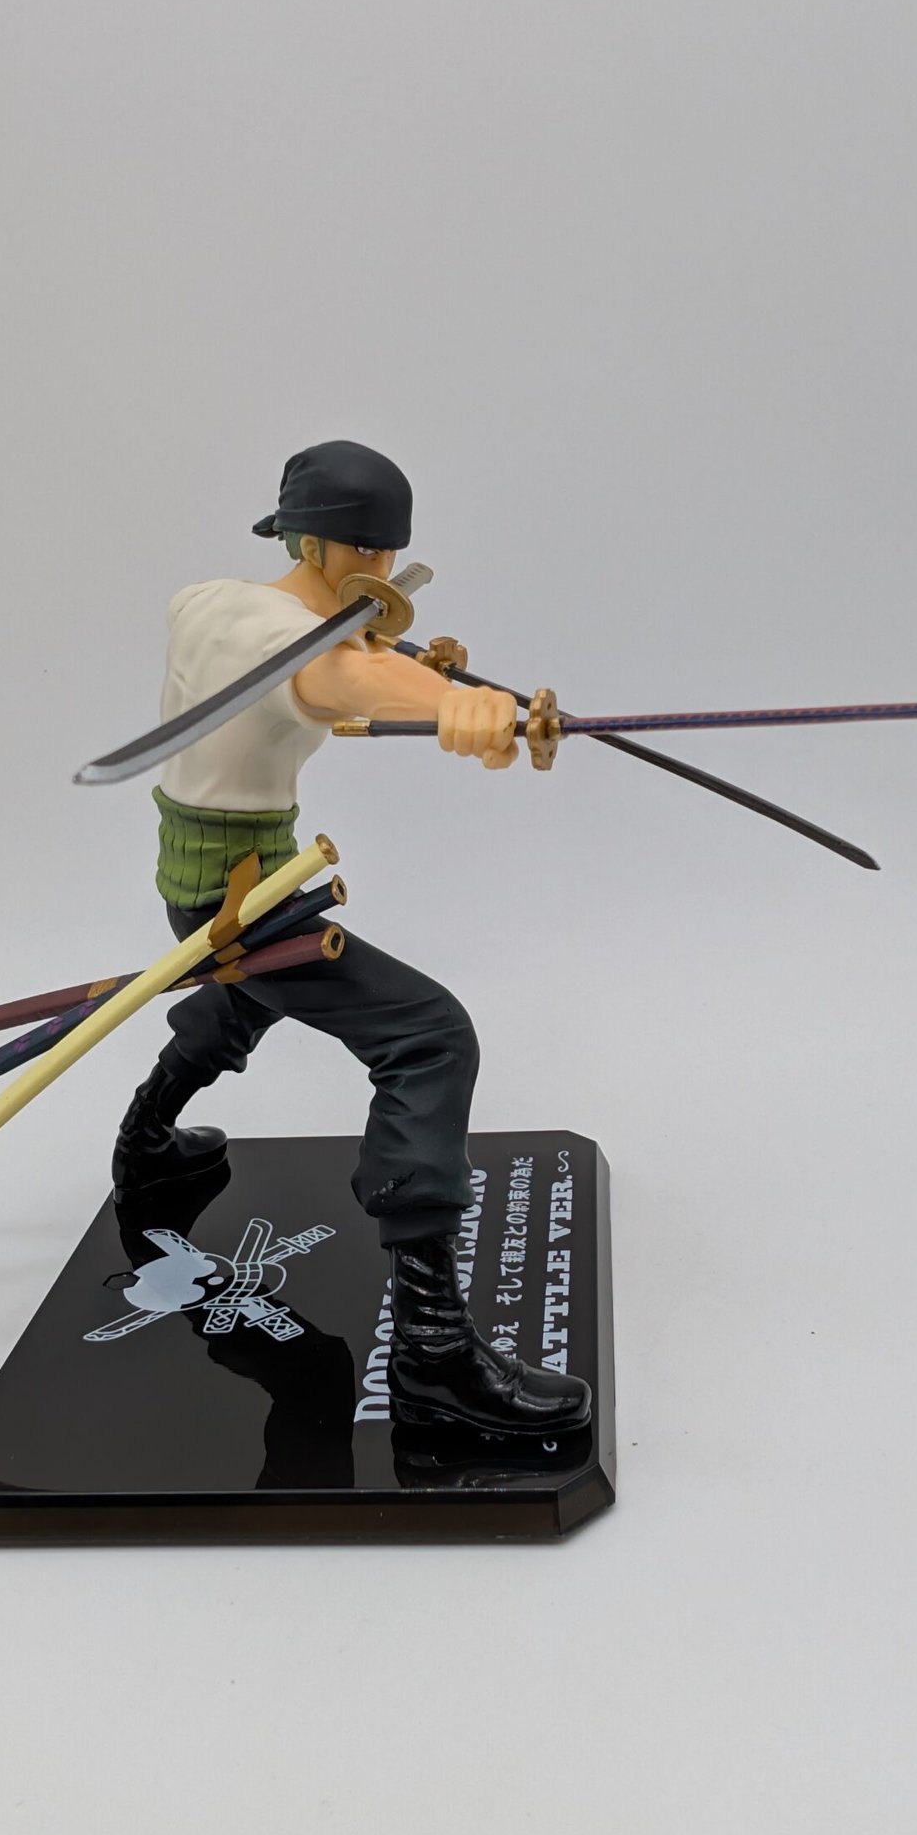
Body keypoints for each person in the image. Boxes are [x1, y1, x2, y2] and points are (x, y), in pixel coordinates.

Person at [111, 439, 591, 1439]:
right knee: (428, 1037)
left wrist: (426, 682)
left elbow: (340, 677)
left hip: (214, 885)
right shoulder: (296, 646)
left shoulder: (209, 602)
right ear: (319, 549)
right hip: (241, 900)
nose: (380, 567)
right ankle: (432, 1353)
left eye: (387, 553)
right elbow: (337, 679)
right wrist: (461, 706)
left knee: (246, 990)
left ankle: (148, 1145)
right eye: (366, 552)